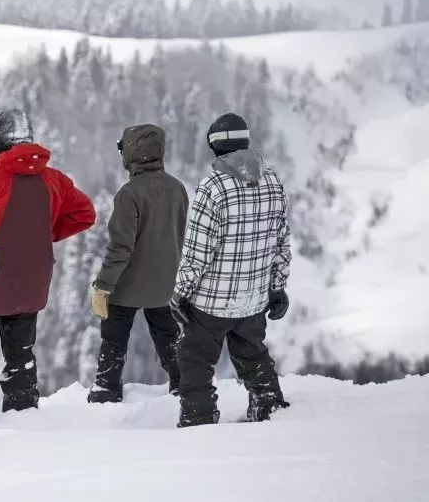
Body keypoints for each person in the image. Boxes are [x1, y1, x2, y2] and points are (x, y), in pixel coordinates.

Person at [0, 109, 96, 411]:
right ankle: (22, 412)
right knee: (21, 353)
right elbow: (86, 214)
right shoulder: (54, 180)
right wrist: (42, 236)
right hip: (30, 286)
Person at [170, 112, 292, 427]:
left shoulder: (212, 186)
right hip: (253, 299)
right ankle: (270, 410)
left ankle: (199, 419)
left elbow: (197, 250)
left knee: (194, 360)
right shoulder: (272, 180)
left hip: (212, 302)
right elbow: (281, 243)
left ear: (215, 147)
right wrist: (277, 288)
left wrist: (181, 293)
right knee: (252, 355)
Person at [87, 124, 189, 403]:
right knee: (169, 338)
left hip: (127, 285)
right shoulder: (177, 189)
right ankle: (185, 386)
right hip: (167, 284)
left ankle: (105, 391)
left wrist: (104, 285)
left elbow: (120, 247)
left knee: (114, 338)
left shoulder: (129, 193)